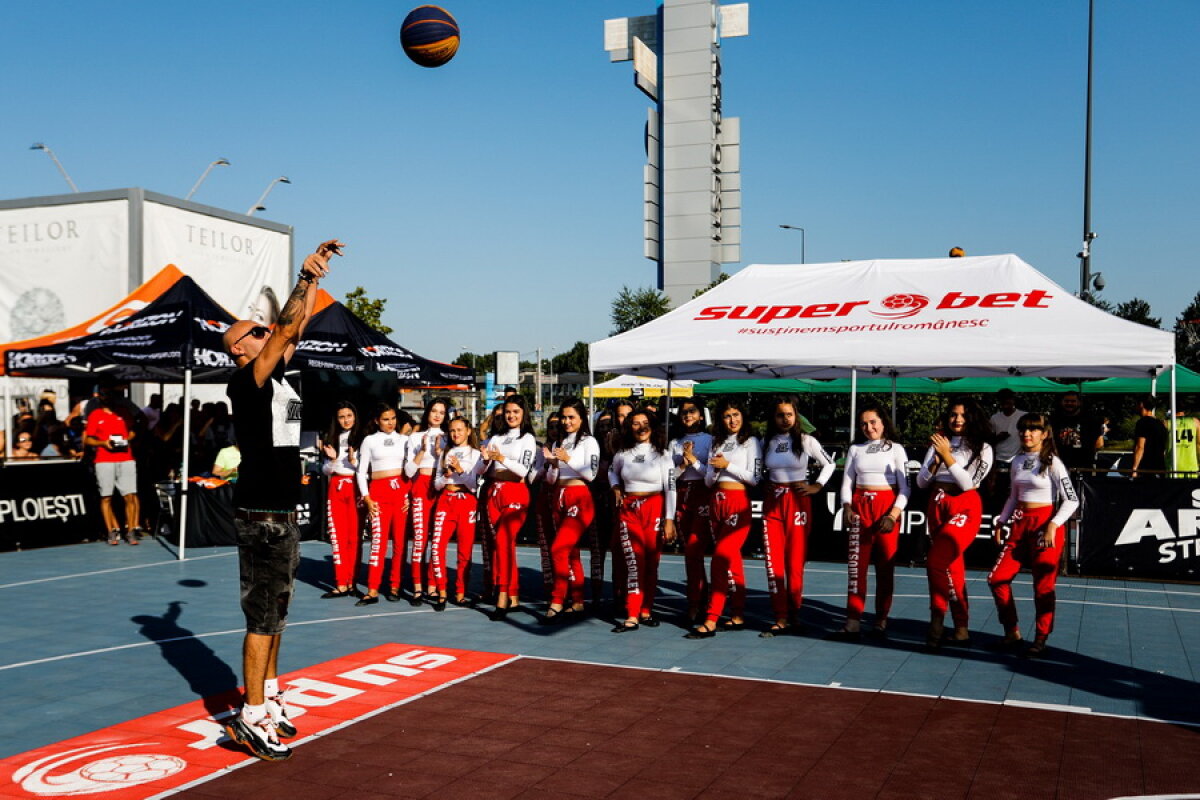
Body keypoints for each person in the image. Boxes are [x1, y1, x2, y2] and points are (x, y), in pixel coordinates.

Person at [221, 238, 341, 762]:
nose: (264, 329)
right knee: (261, 619)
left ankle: (267, 696)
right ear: (242, 347)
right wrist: (302, 278)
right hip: (261, 514)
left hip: (282, 510)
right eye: (255, 330)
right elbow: (288, 326)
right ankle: (249, 718)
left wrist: (314, 279)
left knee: (280, 613)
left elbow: (298, 327)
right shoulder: (248, 380)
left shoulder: (279, 376)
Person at [988, 412, 1079, 658]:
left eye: (1033, 430)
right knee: (997, 579)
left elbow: (1072, 500)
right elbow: (1014, 497)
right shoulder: (1017, 462)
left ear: (1045, 433)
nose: (1026, 434)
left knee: (1043, 587)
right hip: (1020, 525)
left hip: (1045, 527)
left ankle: (1041, 637)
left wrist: (1053, 524)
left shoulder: (1053, 463)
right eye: (1023, 429)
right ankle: (1012, 631)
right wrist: (1001, 521)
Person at [916, 398, 994, 649]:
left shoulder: (983, 447)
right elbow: (921, 482)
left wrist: (947, 456)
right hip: (936, 504)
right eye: (952, 414)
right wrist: (937, 459)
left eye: (963, 415)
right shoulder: (939, 441)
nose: (957, 419)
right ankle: (961, 628)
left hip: (964, 505)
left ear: (973, 418)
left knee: (936, 562)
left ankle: (936, 619)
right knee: (953, 568)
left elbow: (968, 484)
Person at [685, 397, 761, 639]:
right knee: (732, 562)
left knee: (720, 559)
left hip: (738, 504)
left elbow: (755, 478)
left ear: (743, 417)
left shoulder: (751, 442)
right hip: (716, 503)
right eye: (727, 416)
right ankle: (737, 614)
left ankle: (711, 618)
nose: (732, 420)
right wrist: (704, 466)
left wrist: (727, 465)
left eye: (736, 415)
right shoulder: (717, 441)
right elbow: (708, 479)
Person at [760, 395, 836, 637]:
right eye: (780, 415)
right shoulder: (766, 441)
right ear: (774, 417)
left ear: (796, 416)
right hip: (773, 503)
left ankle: (794, 613)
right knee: (773, 563)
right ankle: (779, 616)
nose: (785, 419)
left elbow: (829, 464)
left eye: (789, 414)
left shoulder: (806, 440)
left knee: (794, 563)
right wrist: (764, 482)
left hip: (798, 501)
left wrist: (817, 486)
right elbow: (757, 468)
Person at [833, 403, 910, 640]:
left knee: (885, 568)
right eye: (864, 423)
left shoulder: (896, 449)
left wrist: (893, 515)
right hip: (860, 510)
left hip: (886, 509)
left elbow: (905, 487)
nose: (869, 427)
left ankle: (881, 620)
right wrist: (847, 507)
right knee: (857, 569)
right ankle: (853, 621)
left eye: (873, 422)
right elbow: (846, 484)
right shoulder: (856, 449)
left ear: (883, 422)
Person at [609, 408, 677, 632]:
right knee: (634, 561)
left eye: (645, 422)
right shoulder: (623, 453)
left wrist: (669, 520)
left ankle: (646, 610)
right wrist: (616, 487)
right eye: (635, 423)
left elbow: (671, 488)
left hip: (655, 508)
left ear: (652, 425)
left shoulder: (662, 454)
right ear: (629, 427)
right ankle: (632, 614)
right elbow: (612, 471)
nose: (641, 427)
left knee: (651, 562)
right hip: (629, 510)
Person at [541, 398, 600, 623]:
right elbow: (552, 478)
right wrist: (553, 465)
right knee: (570, 552)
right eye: (564, 417)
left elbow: (591, 474)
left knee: (559, 548)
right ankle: (577, 601)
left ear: (581, 418)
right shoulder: (561, 442)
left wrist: (568, 459)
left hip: (580, 497)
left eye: (571, 417)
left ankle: (557, 599)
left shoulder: (589, 442)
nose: (566, 422)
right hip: (560, 496)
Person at [481, 394, 537, 619]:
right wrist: (485, 460)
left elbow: (522, 471)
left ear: (523, 414)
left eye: (516, 411)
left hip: (515, 493)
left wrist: (501, 458)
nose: (511, 416)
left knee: (504, 539)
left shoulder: (528, 439)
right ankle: (513, 594)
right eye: (508, 412)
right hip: (494, 492)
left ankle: (503, 594)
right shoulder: (496, 437)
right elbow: (483, 470)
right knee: (502, 546)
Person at [356, 404, 415, 605]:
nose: (390, 423)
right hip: (378, 494)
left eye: (393, 419)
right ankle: (372, 589)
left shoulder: (405, 440)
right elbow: (361, 472)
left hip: (400, 494)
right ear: (376, 421)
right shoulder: (369, 441)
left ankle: (395, 586)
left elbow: (412, 469)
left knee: (400, 544)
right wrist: (367, 497)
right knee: (378, 544)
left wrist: (409, 495)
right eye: (386, 419)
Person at [429, 416, 486, 609]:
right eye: (452, 431)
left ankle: (460, 592)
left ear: (469, 430)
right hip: (445, 501)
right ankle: (442, 592)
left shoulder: (476, 454)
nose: (456, 434)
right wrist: (446, 476)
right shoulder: (445, 454)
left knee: (465, 551)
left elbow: (472, 486)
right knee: (436, 548)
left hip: (467, 503)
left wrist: (460, 470)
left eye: (460, 430)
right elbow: (436, 485)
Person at [670, 399, 714, 624]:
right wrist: (684, 465)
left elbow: (711, 474)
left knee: (696, 549)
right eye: (683, 412)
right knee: (689, 553)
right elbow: (669, 478)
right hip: (682, 495)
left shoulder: (711, 440)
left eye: (692, 411)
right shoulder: (674, 443)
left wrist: (694, 461)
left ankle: (703, 603)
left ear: (700, 415)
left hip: (703, 496)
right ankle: (695, 602)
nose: (687, 415)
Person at [406, 397, 450, 604]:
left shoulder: (450, 436)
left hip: (442, 486)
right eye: (434, 410)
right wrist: (423, 450)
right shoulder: (415, 437)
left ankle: (433, 586)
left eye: (441, 412)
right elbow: (408, 471)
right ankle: (417, 587)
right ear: (427, 412)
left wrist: (441, 453)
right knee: (420, 539)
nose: (437, 415)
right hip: (421, 485)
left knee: (438, 542)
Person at [84, 388, 141, 545]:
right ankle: (111, 531)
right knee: (106, 496)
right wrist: (104, 443)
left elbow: (133, 431)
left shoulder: (123, 412)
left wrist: (127, 439)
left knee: (129, 495)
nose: (107, 397)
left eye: (110, 395)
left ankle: (130, 531)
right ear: (100, 397)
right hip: (104, 460)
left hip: (126, 458)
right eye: (104, 395)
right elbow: (88, 439)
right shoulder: (95, 415)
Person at [319, 402, 362, 599]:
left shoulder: (363, 438)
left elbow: (366, 469)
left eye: (349, 415)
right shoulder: (332, 438)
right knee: (338, 538)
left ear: (355, 416)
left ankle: (353, 582)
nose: (346, 420)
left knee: (354, 538)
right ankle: (341, 583)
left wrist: (354, 462)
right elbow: (326, 469)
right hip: (336, 488)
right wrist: (334, 458)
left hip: (355, 488)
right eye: (341, 416)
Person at [1049, 391, 1104, 472]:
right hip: (1058, 465)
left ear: (1079, 403)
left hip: (1083, 467)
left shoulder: (1090, 420)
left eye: (1073, 401)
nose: (1069, 403)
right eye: (1066, 401)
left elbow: (1099, 444)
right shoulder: (1054, 419)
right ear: (1061, 402)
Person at [1130, 395, 1168, 479]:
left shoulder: (1142, 423)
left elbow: (1140, 447)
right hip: (1160, 466)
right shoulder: (1161, 424)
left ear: (1141, 404)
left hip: (1146, 468)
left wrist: (1134, 469)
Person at [1173, 409, 1200, 478]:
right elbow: (1199, 444)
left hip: (1173, 467)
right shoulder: (1195, 422)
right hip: (1192, 468)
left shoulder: (1166, 423)